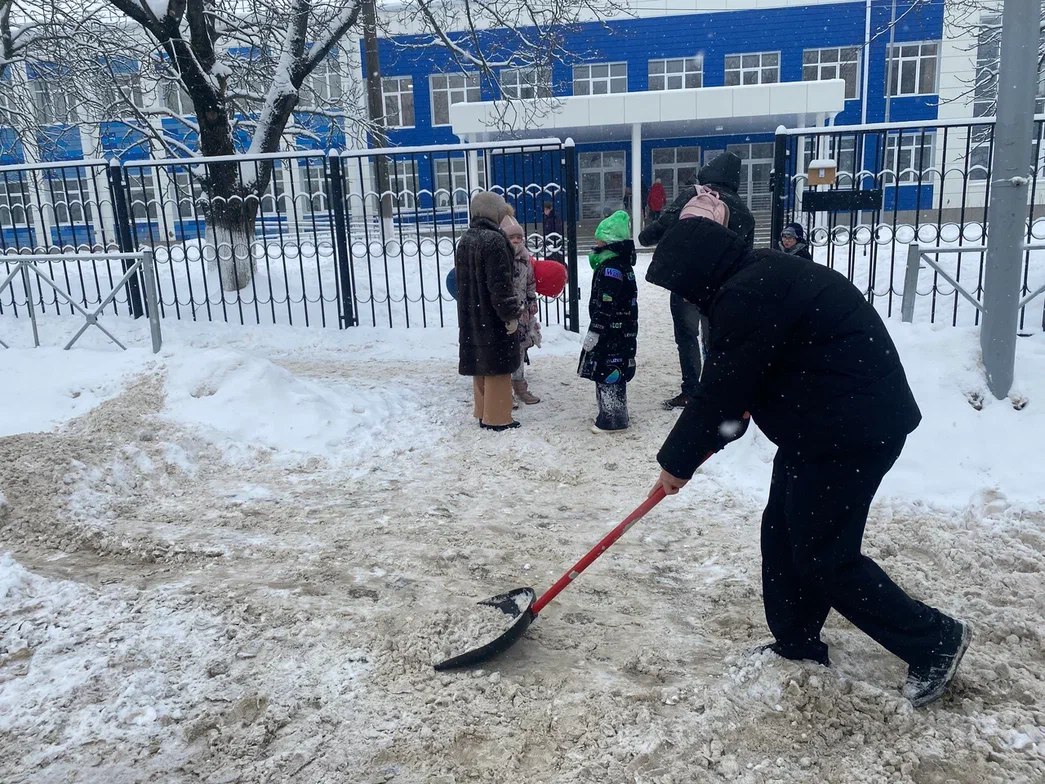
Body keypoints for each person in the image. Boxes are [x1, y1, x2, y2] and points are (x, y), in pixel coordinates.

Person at [645, 215, 971, 708]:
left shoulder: (748, 293)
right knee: (782, 530)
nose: (687, 298)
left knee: (823, 554)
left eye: (684, 287)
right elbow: (746, 382)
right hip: (823, 427)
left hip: (850, 433)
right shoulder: (761, 273)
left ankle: (934, 640)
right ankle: (796, 641)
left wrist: (677, 464)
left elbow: (720, 396)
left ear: (699, 272)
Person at [639, 151, 756, 410]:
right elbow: (746, 258)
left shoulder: (695, 194)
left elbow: (661, 227)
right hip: (719, 287)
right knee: (715, 337)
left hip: (687, 282)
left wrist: (645, 236)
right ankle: (716, 387)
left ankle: (691, 389)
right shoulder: (745, 213)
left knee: (686, 336)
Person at [456, 191, 524, 431]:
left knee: (480, 364)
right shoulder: (495, 241)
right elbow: (501, 286)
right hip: (493, 315)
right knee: (498, 367)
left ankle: (482, 412)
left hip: (473, 314)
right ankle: (497, 418)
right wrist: (510, 315)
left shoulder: (466, 239)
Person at [578, 210, 638, 434]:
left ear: (609, 242)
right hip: (624, 331)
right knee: (616, 370)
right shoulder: (623, 266)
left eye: (599, 239)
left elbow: (606, 306)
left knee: (607, 371)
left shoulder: (609, 270)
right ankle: (615, 414)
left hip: (612, 333)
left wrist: (595, 331)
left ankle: (612, 420)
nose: (596, 243)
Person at [500, 213, 542, 405]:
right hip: (506, 312)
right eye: (512, 237)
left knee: (520, 348)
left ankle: (520, 386)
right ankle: (504, 389)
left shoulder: (526, 259)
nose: (516, 240)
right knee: (504, 350)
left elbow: (530, 282)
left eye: (519, 237)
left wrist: (532, 300)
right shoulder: (501, 258)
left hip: (523, 310)